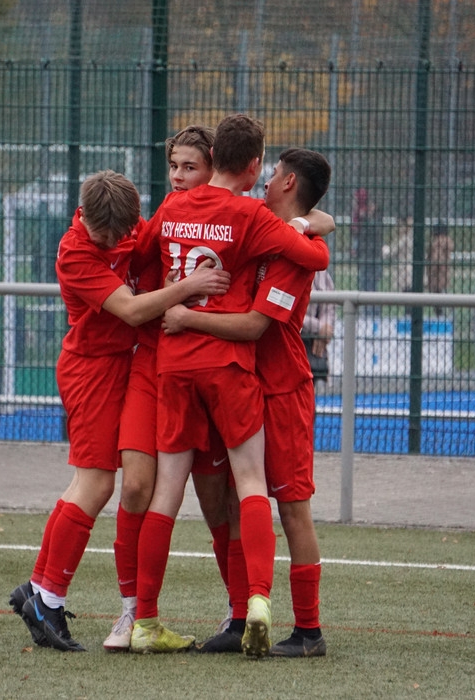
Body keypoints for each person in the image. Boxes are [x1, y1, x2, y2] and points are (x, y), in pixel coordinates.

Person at [130, 114, 334, 657]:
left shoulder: (242, 223)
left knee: (289, 505)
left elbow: (258, 323)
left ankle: (307, 630)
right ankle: (243, 611)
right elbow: (315, 239)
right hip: (229, 377)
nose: (266, 179)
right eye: (262, 169)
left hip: (272, 385)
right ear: (251, 166)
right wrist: (311, 229)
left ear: (288, 183)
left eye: (275, 175)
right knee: (224, 500)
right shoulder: (256, 218)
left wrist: (183, 313)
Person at [7, 170, 231, 652]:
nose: (115, 243)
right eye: (104, 236)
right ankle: (47, 599)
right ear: (84, 216)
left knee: (89, 484)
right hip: (91, 369)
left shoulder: (129, 226)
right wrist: (189, 286)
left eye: (122, 235)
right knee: (96, 482)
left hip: (124, 367)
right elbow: (130, 310)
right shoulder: (75, 252)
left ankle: (40, 590)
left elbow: (165, 234)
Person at [102, 124, 223, 652]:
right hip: (152, 368)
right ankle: (133, 614)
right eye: (173, 166)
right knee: (135, 486)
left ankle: (239, 613)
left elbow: (300, 236)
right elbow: (117, 254)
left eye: (189, 166)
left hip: (215, 376)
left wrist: (313, 220)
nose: (177, 177)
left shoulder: (235, 218)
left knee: (223, 503)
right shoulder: (159, 223)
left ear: (214, 168)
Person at [302, 268, 335, 391]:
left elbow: (329, 307)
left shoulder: (320, 272)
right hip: (288, 344)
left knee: (308, 402)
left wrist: (323, 332)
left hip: (311, 347)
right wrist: (318, 328)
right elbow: (287, 312)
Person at [351, 188, 381, 294]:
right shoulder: (359, 214)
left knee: (370, 284)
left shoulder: (369, 216)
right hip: (364, 251)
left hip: (371, 252)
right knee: (365, 283)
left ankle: (371, 309)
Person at [426, 223, 455, 315]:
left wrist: (431, 272)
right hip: (445, 272)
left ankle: (440, 316)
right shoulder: (448, 242)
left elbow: (436, 259)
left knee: (437, 298)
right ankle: (447, 315)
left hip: (436, 275)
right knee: (444, 295)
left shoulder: (437, 243)